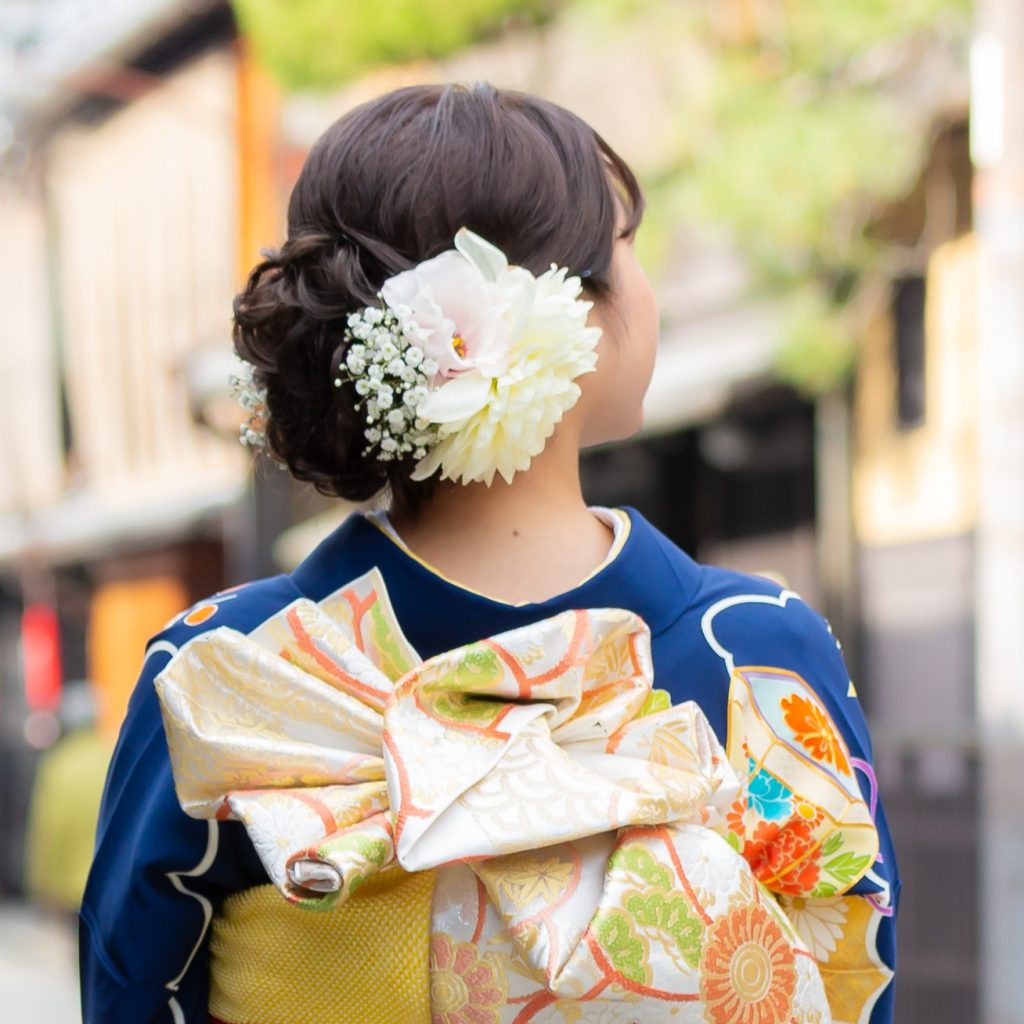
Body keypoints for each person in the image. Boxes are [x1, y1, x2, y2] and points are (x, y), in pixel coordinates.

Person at [80, 82, 899, 1024]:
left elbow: (132, 992)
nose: (643, 282)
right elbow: (851, 974)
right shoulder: (754, 652)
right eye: (626, 245)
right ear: (562, 314)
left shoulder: (233, 675)